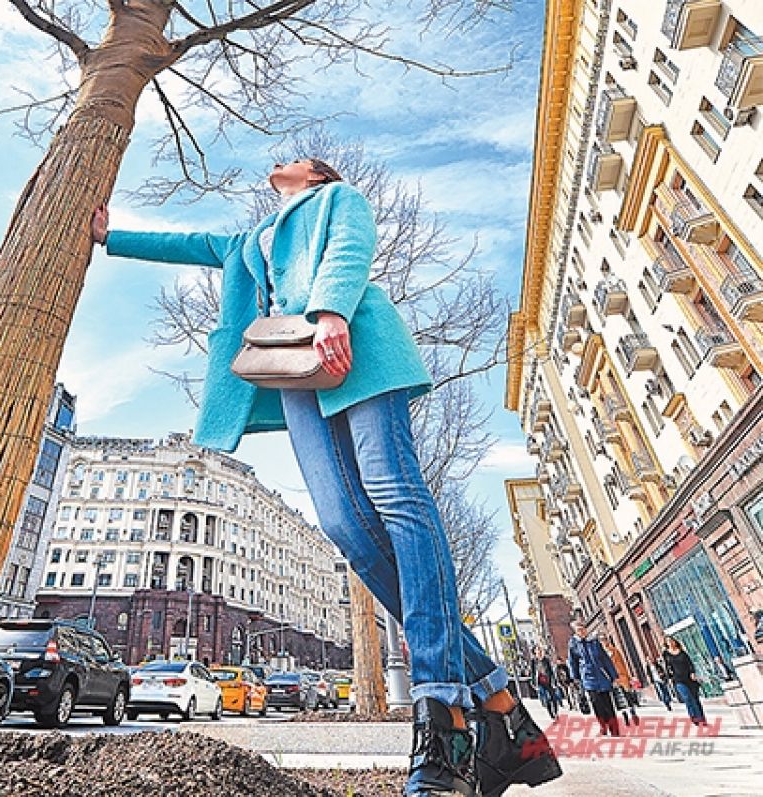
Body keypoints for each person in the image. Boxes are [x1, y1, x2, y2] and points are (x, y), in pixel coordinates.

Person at [91, 159, 562, 797]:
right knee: (344, 524)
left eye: (290, 158)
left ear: (312, 173)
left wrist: (332, 311)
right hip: (289, 367)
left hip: (351, 343)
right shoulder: (254, 236)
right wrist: (109, 235)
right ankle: (505, 713)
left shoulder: (337, 196)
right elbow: (190, 244)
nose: (275, 162)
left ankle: (444, 713)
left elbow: (350, 246)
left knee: (395, 495)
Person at [567, 620, 621, 737]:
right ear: (575, 632)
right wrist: (575, 678)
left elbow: (605, 659)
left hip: (602, 676)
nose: (582, 632)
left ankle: (614, 729)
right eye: (579, 630)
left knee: (608, 704)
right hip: (588, 678)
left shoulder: (594, 642)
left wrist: (614, 676)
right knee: (597, 705)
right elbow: (573, 662)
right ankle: (603, 727)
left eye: (583, 629)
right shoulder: (573, 644)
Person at [663, 637, 706, 726]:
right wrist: (669, 678)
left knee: (695, 698)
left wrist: (692, 673)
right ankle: (694, 717)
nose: (670, 643)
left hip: (689, 678)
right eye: (668, 642)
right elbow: (667, 667)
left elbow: (690, 663)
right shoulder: (666, 654)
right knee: (687, 697)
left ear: (674, 642)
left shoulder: (682, 652)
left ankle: (701, 718)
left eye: (671, 641)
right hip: (678, 679)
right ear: (666, 644)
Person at [603, 637, 639, 727]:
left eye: (605, 639)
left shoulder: (615, 651)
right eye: (602, 640)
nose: (604, 642)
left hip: (622, 676)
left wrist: (628, 676)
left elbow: (623, 663)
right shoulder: (601, 655)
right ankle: (625, 717)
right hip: (612, 679)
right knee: (618, 700)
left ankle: (632, 712)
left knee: (628, 696)